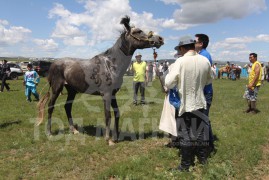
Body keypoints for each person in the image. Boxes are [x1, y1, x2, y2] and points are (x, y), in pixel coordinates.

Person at [165, 35, 212, 171]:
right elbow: (209, 80)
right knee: (200, 133)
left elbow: (169, 82)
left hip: (185, 104)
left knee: (185, 134)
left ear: (182, 48)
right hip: (200, 102)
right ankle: (203, 159)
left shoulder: (180, 62)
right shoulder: (204, 60)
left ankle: (185, 165)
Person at [195, 33, 215, 153]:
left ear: (201, 44)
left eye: (195, 41)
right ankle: (208, 144)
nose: (193, 43)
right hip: (203, 91)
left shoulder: (204, 56)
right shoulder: (201, 55)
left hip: (205, 92)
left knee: (203, 119)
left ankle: (208, 147)